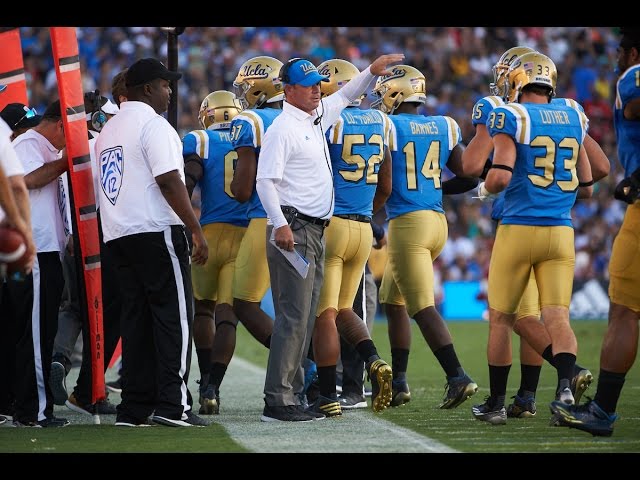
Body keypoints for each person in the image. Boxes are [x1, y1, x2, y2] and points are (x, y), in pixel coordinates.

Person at [256, 53, 404, 422]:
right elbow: (264, 182)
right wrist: (280, 224)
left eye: (316, 86)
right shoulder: (282, 128)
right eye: (306, 87)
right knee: (293, 317)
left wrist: (370, 71)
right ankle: (278, 399)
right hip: (296, 226)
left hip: (315, 229)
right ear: (287, 90)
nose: (315, 92)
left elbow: (344, 97)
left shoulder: (313, 118)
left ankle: (289, 393)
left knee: (305, 318)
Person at [462, 46, 608, 418]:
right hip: (561, 231)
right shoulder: (574, 113)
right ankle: (565, 390)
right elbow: (589, 184)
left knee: (501, 318)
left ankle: (495, 403)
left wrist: (484, 190)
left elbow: (498, 175)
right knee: (557, 316)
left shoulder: (512, 114)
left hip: (519, 228)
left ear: (518, 79)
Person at [95, 57, 209, 427]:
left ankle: (134, 406)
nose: (170, 91)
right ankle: (173, 405)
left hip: (118, 234)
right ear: (147, 89)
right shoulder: (153, 124)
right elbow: (169, 181)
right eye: (164, 85)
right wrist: (195, 227)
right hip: (156, 229)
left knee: (137, 320)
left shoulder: (109, 130)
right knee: (173, 318)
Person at [550, 27, 640, 437]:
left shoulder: (632, 76)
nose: (616, 57)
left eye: (621, 49)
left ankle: (602, 411)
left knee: (624, 311)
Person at [373, 65, 478, 411]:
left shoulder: (387, 125)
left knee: (421, 306)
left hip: (408, 225)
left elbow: (382, 183)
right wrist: (436, 188)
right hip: (436, 221)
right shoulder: (444, 125)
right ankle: (400, 381)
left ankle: (457, 376)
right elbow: (468, 177)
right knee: (392, 299)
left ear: (395, 92)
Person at [307, 58, 393, 417]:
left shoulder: (328, 120)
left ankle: (327, 394)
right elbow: (385, 186)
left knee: (324, 314)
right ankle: (373, 360)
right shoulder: (381, 120)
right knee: (344, 309)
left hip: (333, 224)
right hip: (362, 225)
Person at [49, 90, 121, 416]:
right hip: (99, 237)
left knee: (74, 308)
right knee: (106, 313)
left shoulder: (69, 148)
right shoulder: (101, 147)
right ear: (99, 118)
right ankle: (91, 388)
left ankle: (59, 357)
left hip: (69, 238)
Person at [5, 99, 71, 427]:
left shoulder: (43, 147)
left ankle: (25, 405)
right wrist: (66, 161)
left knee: (39, 332)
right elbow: (28, 181)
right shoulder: (30, 142)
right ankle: (34, 410)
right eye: (69, 133)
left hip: (45, 252)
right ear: (60, 124)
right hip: (36, 252)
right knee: (35, 334)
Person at [182, 90, 246, 415]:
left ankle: (205, 375)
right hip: (244, 236)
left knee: (203, 311)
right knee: (227, 317)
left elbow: (188, 183)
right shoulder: (251, 133)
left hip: (208, 232)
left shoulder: (200, 140)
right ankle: (213, 388)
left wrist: (187, 224)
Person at [228, 55, 284, 356]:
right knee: (303, 308)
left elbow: (242, 189)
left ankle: (303, 366)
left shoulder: (251, 120)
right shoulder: (300, 116)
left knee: (245, 304)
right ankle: (335, 377)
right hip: (307, 220)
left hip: (266, 219)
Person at [104, 67, 128, 395]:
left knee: (118, 311)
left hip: (110, 229)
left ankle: (87, 381)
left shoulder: (109, 128)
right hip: (135, 230)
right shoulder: (142, 126)